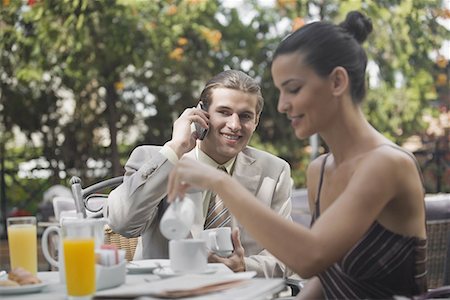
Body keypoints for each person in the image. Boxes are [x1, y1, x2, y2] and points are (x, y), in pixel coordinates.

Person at [167, 11, 427, 299]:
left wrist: (220, 183)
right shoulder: (320, 170)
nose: (281, 106)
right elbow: (328, 278)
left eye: (293, 89)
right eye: (279, 91)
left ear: (337, 82)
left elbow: (309, 258)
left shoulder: (387, 164)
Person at [107, 70, 293, 278]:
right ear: (201, 113)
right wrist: (175, 148)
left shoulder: (275, 172)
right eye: (224, 112)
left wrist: (245, 267)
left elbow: (288, 255)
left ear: (256, 121)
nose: (234, 125)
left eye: (245, 116)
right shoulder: (156, 159)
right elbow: (121, 223)